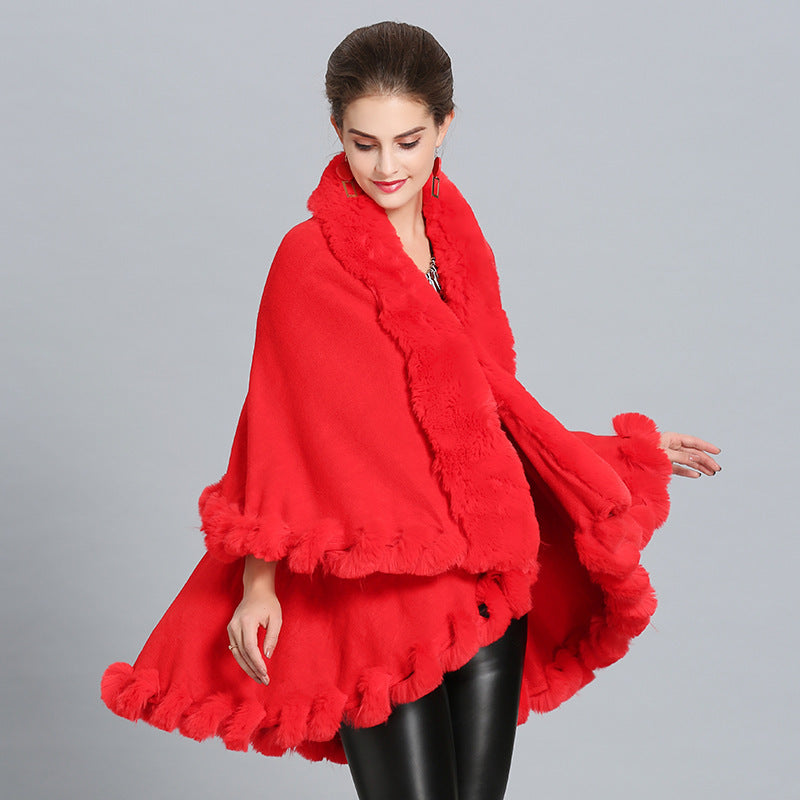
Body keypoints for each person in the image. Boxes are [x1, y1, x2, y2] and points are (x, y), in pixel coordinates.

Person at [101, 21, 721, 800]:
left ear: (445, 126)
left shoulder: (458, 237)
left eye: (408, 141)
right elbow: (276, 425)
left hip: (485, 579)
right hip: (378, 596)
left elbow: (486, 410)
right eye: (364, 144)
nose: (387, 166)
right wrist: (259, 583)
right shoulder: (307, 261)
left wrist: (607, 455)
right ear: (336, 130)